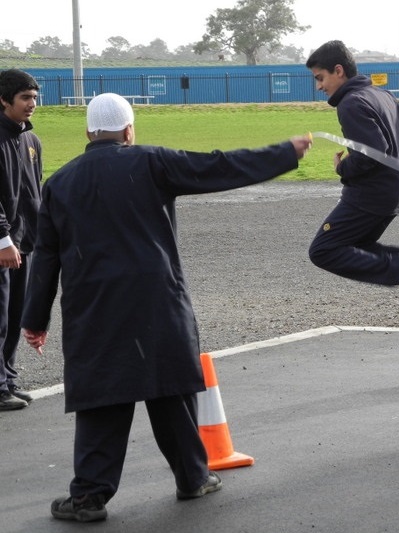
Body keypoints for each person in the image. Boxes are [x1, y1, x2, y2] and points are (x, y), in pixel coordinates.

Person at [20, 92, 312, 522]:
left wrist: (34, 320)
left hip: (94, 306)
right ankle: (193, 476)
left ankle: (88, 496)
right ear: (128, 130)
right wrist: (282, 153)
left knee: (103, 398)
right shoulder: (151, 162)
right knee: (169, 387)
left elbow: (45, 255)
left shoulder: (60, 183)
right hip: (156, 299)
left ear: (88, 132)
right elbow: (219, 166)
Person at [305, 40, 399, 300]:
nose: (319, 86)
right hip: (396, 191)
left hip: (371, 194)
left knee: (323, 250)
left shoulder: (350, 103)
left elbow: (375, 151)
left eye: (320, 78)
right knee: (355, 246)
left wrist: (343, 167)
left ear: (339, 70)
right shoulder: (380, 94)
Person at [0, 69, 41, 411]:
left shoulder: (31, 140)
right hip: (2, 246)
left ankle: (8, 379)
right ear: (3, 100)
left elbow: (34, 194)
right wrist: (3, 240)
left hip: (25, 243)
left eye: (34, 98)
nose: (32, 104)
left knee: (16, 315)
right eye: (25, 98)